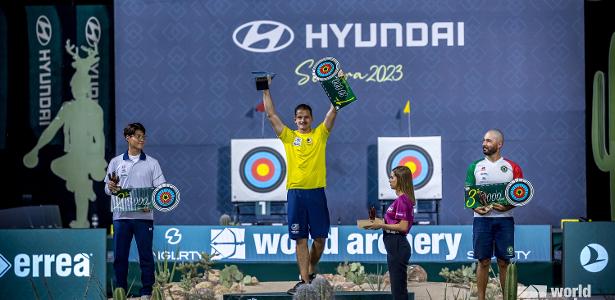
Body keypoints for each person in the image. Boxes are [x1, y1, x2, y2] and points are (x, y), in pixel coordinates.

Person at [261, 75, 338, 295]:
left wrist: (336, 88)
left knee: (320, 240)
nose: (302, 120)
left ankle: (310, 270)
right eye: (299, 117)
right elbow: (271, 114)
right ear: (295, 120)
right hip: (295, 194)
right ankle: (304, 283)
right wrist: (265, 89)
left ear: (312, 119)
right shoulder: (287, 136)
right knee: (300, 240)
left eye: (306, 117)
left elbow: (333, 111)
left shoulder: (320, 135)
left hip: (316, 194)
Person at [105, 122, 165, 298]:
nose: (141, 140)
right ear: (128, 138)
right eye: (138, 136)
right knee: (119, 258)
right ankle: (121, 292)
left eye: (143, 137)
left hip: (144, 217)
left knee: (146, 257)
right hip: (121, 217)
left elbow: (161, 189)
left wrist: (152, 203)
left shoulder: (152, 163)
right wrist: (110, 187)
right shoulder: (115, 162)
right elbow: (107, 189)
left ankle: (147, 292)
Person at [465, 129, 522, 300]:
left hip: (505, 221)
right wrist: (476, 208)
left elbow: (520, 194)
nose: (484, 143)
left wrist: (507, 207)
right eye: (483, 140)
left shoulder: (513, 167)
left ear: (499, 144)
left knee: (504, 262)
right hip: (481, 222)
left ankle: (507, 298)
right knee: (483, 261)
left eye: (489, 141)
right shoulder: (474, 167)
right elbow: (469, 194)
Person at [365, 166, 414, 300]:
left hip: (398, 244)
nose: (389, 180)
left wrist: (381, 224)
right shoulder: (400, 200)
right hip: (394, 246)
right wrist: (378, 224)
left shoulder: (403, 201)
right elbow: (393, 224)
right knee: (397, 289)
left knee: (399, 291)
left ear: (400, 180)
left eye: (392, 177)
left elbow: (403, 227)